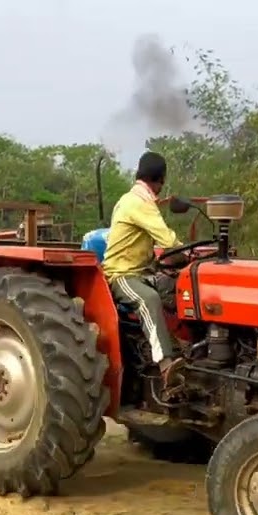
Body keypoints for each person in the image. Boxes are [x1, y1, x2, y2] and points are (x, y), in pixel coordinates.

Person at [102, 151, 183, 392]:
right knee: (149, 299)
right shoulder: (138, 202)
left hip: (143, 273)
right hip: (122, 274)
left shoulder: (135, 198)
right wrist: (188, 256)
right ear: (161, 179)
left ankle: (187, 351)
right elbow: (168, 241)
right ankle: (165, 364)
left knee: (175, 289)